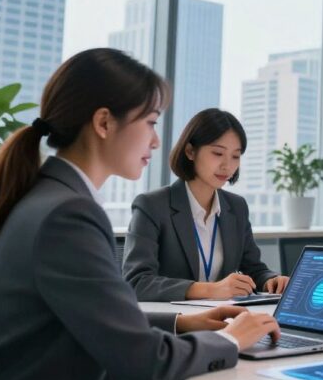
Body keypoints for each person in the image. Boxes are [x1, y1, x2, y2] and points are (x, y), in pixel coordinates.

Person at [0, 49, 278, 380]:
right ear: (104, 123)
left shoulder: (49, 197)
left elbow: (89, 313)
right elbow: (146, 364)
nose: (156, 142)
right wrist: (229, 340)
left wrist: (183, 321)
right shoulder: (69, 214)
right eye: (151, 123)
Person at [123, 108, 288, 301]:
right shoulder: (152, 206)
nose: (228, 165)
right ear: (190, 151)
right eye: (218, 153)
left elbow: (254, 269)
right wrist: (209, 290)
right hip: (173, 323)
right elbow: (136, 282)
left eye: (235, 156)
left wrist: (271, 280)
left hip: (222, 320)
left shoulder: (236, 207)